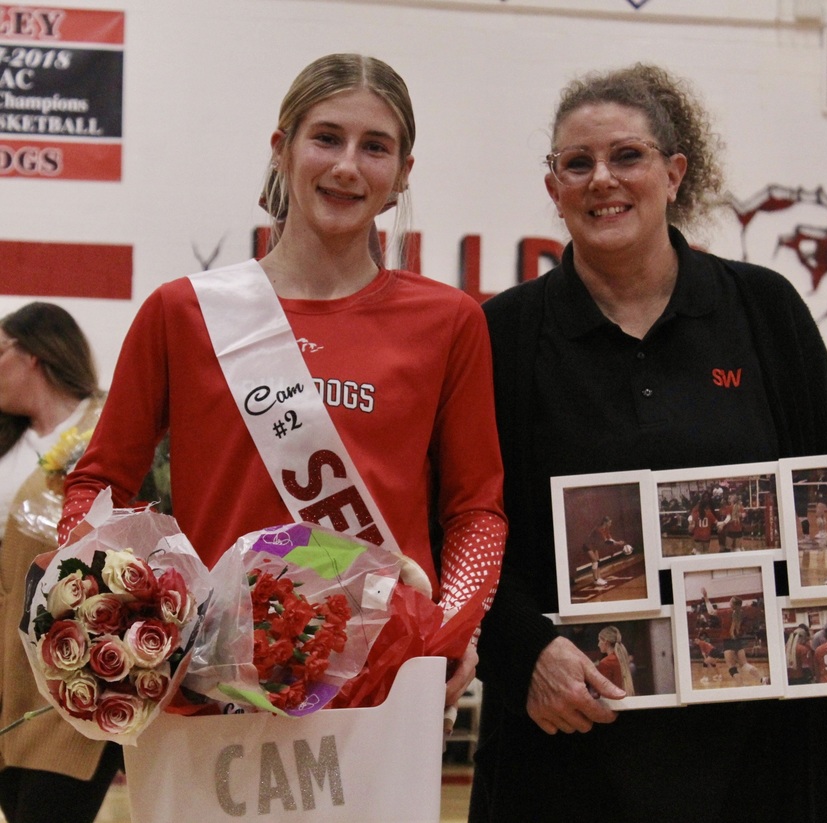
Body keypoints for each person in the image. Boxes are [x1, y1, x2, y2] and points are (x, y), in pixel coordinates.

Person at [471, 62, 827, 822]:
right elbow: (465, 530)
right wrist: (523, 656)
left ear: (674, 172)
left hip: (765, 750)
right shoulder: (501, 333)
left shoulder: (763, 308)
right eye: (577, 164)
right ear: (554, 188)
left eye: (627, 156)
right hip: (570, 740)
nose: (602, 179)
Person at [59, 54, 507, 713]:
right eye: (326, 137)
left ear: (401, 174)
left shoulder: (449, 321)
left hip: (379, 690)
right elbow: (96, 486)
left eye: (375, 147)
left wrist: (447, 627)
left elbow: (476, 511)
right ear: (281, 148)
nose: (348, 165)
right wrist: (122, 608)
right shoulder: (182, 312)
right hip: (208, 689)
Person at [0, 303, 121, 823]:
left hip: (74, 665)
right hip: (6, 668)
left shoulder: (107, 425)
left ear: (32, 356)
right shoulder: (8, 443)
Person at [583, 515, 625, 586]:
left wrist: (617, 542)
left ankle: (599, 578)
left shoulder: (606, 529)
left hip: (594, 546)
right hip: (588, 545)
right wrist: (618, 543)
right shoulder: (599, 530)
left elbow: (610, 539)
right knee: (595, 561)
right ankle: (595, 580)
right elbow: (607, 542)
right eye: (610, 522)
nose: (611, 524)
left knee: (597, 561)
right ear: (605, 522)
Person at [595, 626, 635, 696]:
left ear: (605, 642)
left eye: (599, 640)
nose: (598, 644)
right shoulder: (622, 658)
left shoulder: (606, 663)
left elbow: (603, 692)